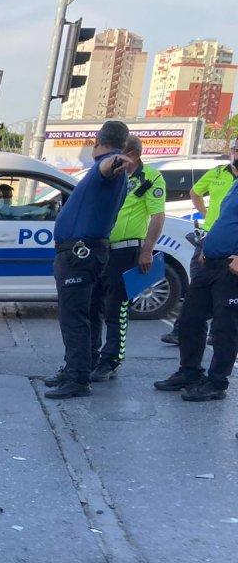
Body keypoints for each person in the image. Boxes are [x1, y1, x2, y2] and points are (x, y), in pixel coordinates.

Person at [43, 119, 130, 399]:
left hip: (79, 255)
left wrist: (115, 160)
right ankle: (79, 367)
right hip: (85, 253)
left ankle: (78, 379)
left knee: (73, 318)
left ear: (97, 141)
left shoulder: (107, 165)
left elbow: (109, 167)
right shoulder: (105, 169)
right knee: (88, 314)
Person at [154, 171, 238, 401]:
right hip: (210, 262)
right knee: (189, 319)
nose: (233, 155)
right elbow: (225, 221)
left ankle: (217, 383)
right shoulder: (234, 184)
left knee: (224, 329)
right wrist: (207, 245)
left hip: (230, 268)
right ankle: (189, 372)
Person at [89, 135, 165, 381]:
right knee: (92, 304)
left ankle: (111, 360)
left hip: (126, 251)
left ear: (132, 154)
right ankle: (90, 355)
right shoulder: (113, 174)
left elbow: (157, 216)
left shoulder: (150, 177)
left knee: (116, 308)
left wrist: (147, 250)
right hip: (101, 249)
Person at [163, 143, 238, 345]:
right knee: (196, 290)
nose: (235, 154)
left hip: (231, 248)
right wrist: (205, 214)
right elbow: (195, 192)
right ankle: (182, 332)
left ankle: (217, 335)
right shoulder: (217, 172)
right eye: (235, 149)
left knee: (225, 300)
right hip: (209, 240)